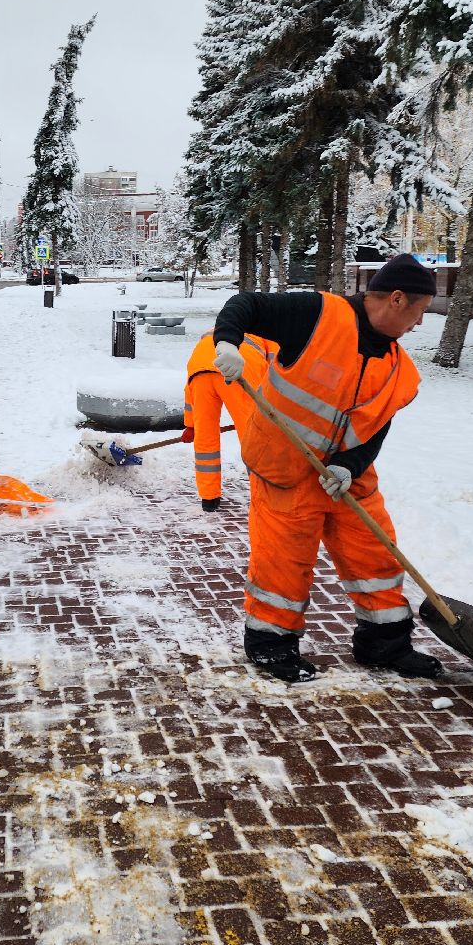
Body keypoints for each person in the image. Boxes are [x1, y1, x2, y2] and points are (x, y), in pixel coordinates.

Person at [210, 254, 442, 682]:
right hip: (284, 469)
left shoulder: (398, 370)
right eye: (420, 311)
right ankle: (270, 645)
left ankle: (385, 644)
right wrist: (227, 342)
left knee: (375, 557)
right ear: (396, 299)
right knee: (283, 563)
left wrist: (349, 467)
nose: (419, 323)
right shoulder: (318, 315)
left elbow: (375, 430)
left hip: (347, 479)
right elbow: (245, 305)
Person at [181, 331, 277, 511]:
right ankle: (264, 495)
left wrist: (191, 426)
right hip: (239, 372)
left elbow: (189, 391)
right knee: (253, 437)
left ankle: (209, 498)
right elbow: (278, 373)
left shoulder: (210, 336)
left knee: (205, 438)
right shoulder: (267, 335)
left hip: (199, 371)